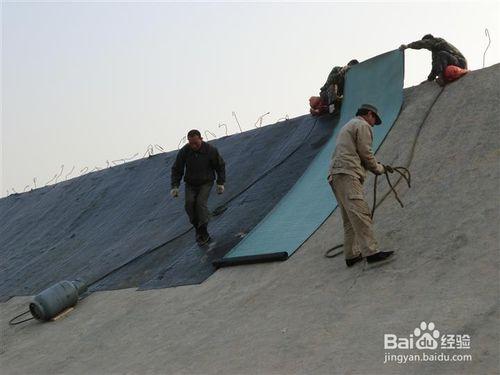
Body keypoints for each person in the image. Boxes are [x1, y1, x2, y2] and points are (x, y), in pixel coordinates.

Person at [327, 104, 394, 267]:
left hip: (336, 174)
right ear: (369, 114)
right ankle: (372, 252)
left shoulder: (348, 125)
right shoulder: (362, 125)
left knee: (350, 218)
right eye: (374, 120)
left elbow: (354, 151)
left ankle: (351, 255)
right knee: (360, 214)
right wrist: (379, 168)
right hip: (348, 173)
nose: (373, 124)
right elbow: (365, 152)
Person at [171, 129, 226, 245]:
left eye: (196, 143)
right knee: (189, 204)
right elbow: (177, 169)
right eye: (191, 143)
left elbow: (220, 166)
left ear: (201, 139)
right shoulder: (185, 151)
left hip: (206, 182)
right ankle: (198, 228)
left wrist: (220, 183)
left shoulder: (210, 150)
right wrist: (175, 186)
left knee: (200, 204)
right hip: (190, 184)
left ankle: (204, 230)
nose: (193, 146)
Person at [400, 34, 467, 85]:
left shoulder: (438, 41)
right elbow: (436, 66)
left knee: (442, 54)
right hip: (453, 65)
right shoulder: (436, 51)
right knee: (439, 58)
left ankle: (443, 78)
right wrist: (430, 79)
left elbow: (423, 43)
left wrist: (407, 46)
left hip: (460, 62)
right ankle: (442, 77)